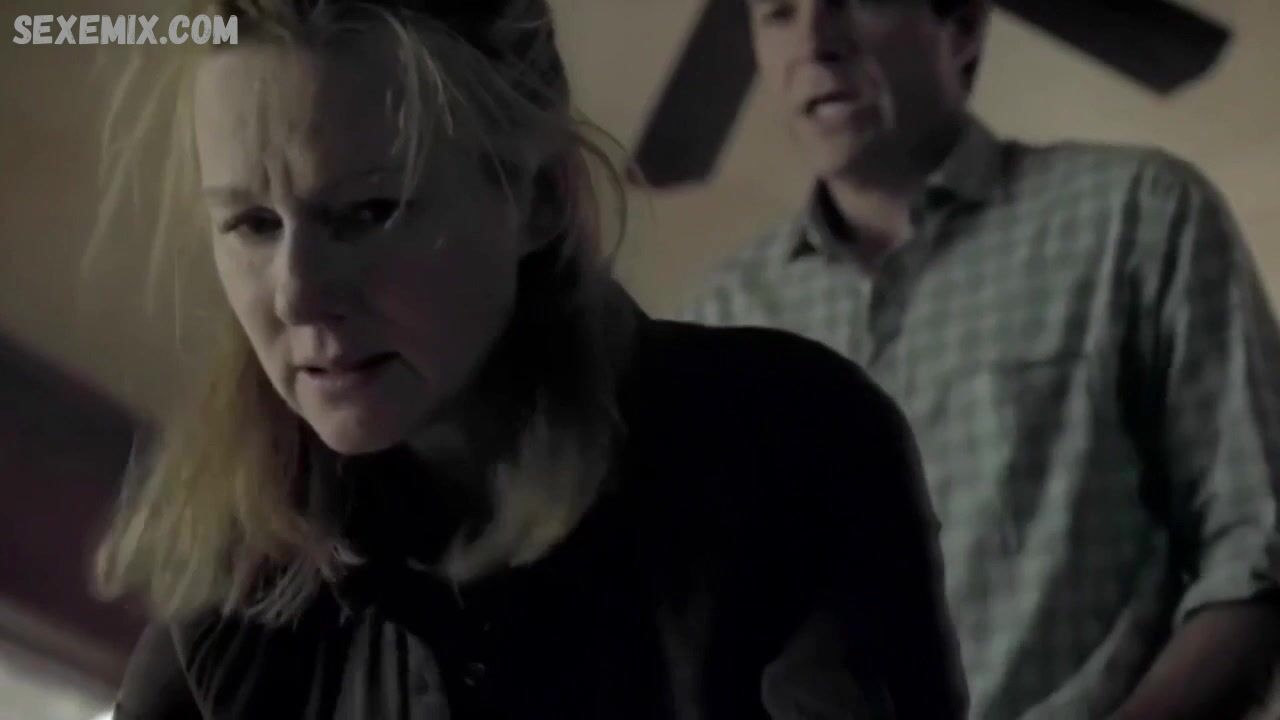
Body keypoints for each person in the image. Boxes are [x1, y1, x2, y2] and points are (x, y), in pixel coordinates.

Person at [89, 1, 968, 717]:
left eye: (368, 212)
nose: (296, 295)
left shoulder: (785, 446)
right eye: (252, 224)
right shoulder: (241, 557)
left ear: (540, 196)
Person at [681, 1, 1280, 718]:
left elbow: (1258, 547)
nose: (814, 41)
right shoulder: (721, 315)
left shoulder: (1137, 216)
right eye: (778, 12)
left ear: (963, 26)